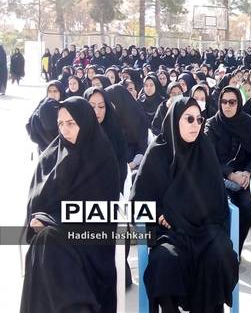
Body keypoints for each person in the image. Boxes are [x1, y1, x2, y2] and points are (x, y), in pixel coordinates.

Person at [131, 97, 239, 313]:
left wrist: (194, 216)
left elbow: (216, 197)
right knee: (165, 261)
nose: (195, 125)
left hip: (206, 229)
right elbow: (138, 200)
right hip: (170, 232)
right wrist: (157, 213)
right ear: (175, 120)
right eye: (189, 119)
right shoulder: (158, 151)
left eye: (199, 119)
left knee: (220, 256)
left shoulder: (204, 148)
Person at [20, 97, 121, 313]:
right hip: (52, 239)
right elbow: (35, 205)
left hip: (90, 243)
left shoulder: (102, 158)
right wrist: (44, 220)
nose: (64, 130)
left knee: (50, 243)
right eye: (60, 123)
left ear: (85, 123)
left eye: (71, 123)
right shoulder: (50, 158)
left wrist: (54, 222)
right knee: (47, 243)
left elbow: (102, 214)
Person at [204, 86, 251, 252]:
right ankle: (222, 250)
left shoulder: (247, 122)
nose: (227, 106)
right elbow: (209, 158)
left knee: (249, 204)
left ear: (239, 103)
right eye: (224, 102)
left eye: (232, 102)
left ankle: (236, 248)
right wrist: (230, 175)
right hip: (217, 177)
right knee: (222, 208)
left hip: (243, 178)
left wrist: (248, 173)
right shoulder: (212, 124)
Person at [83, 87, 129, 187]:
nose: (96, 112)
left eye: (101, 106)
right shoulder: (77, 134)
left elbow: (121, 168)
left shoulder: (115, 133)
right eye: (91, 106)